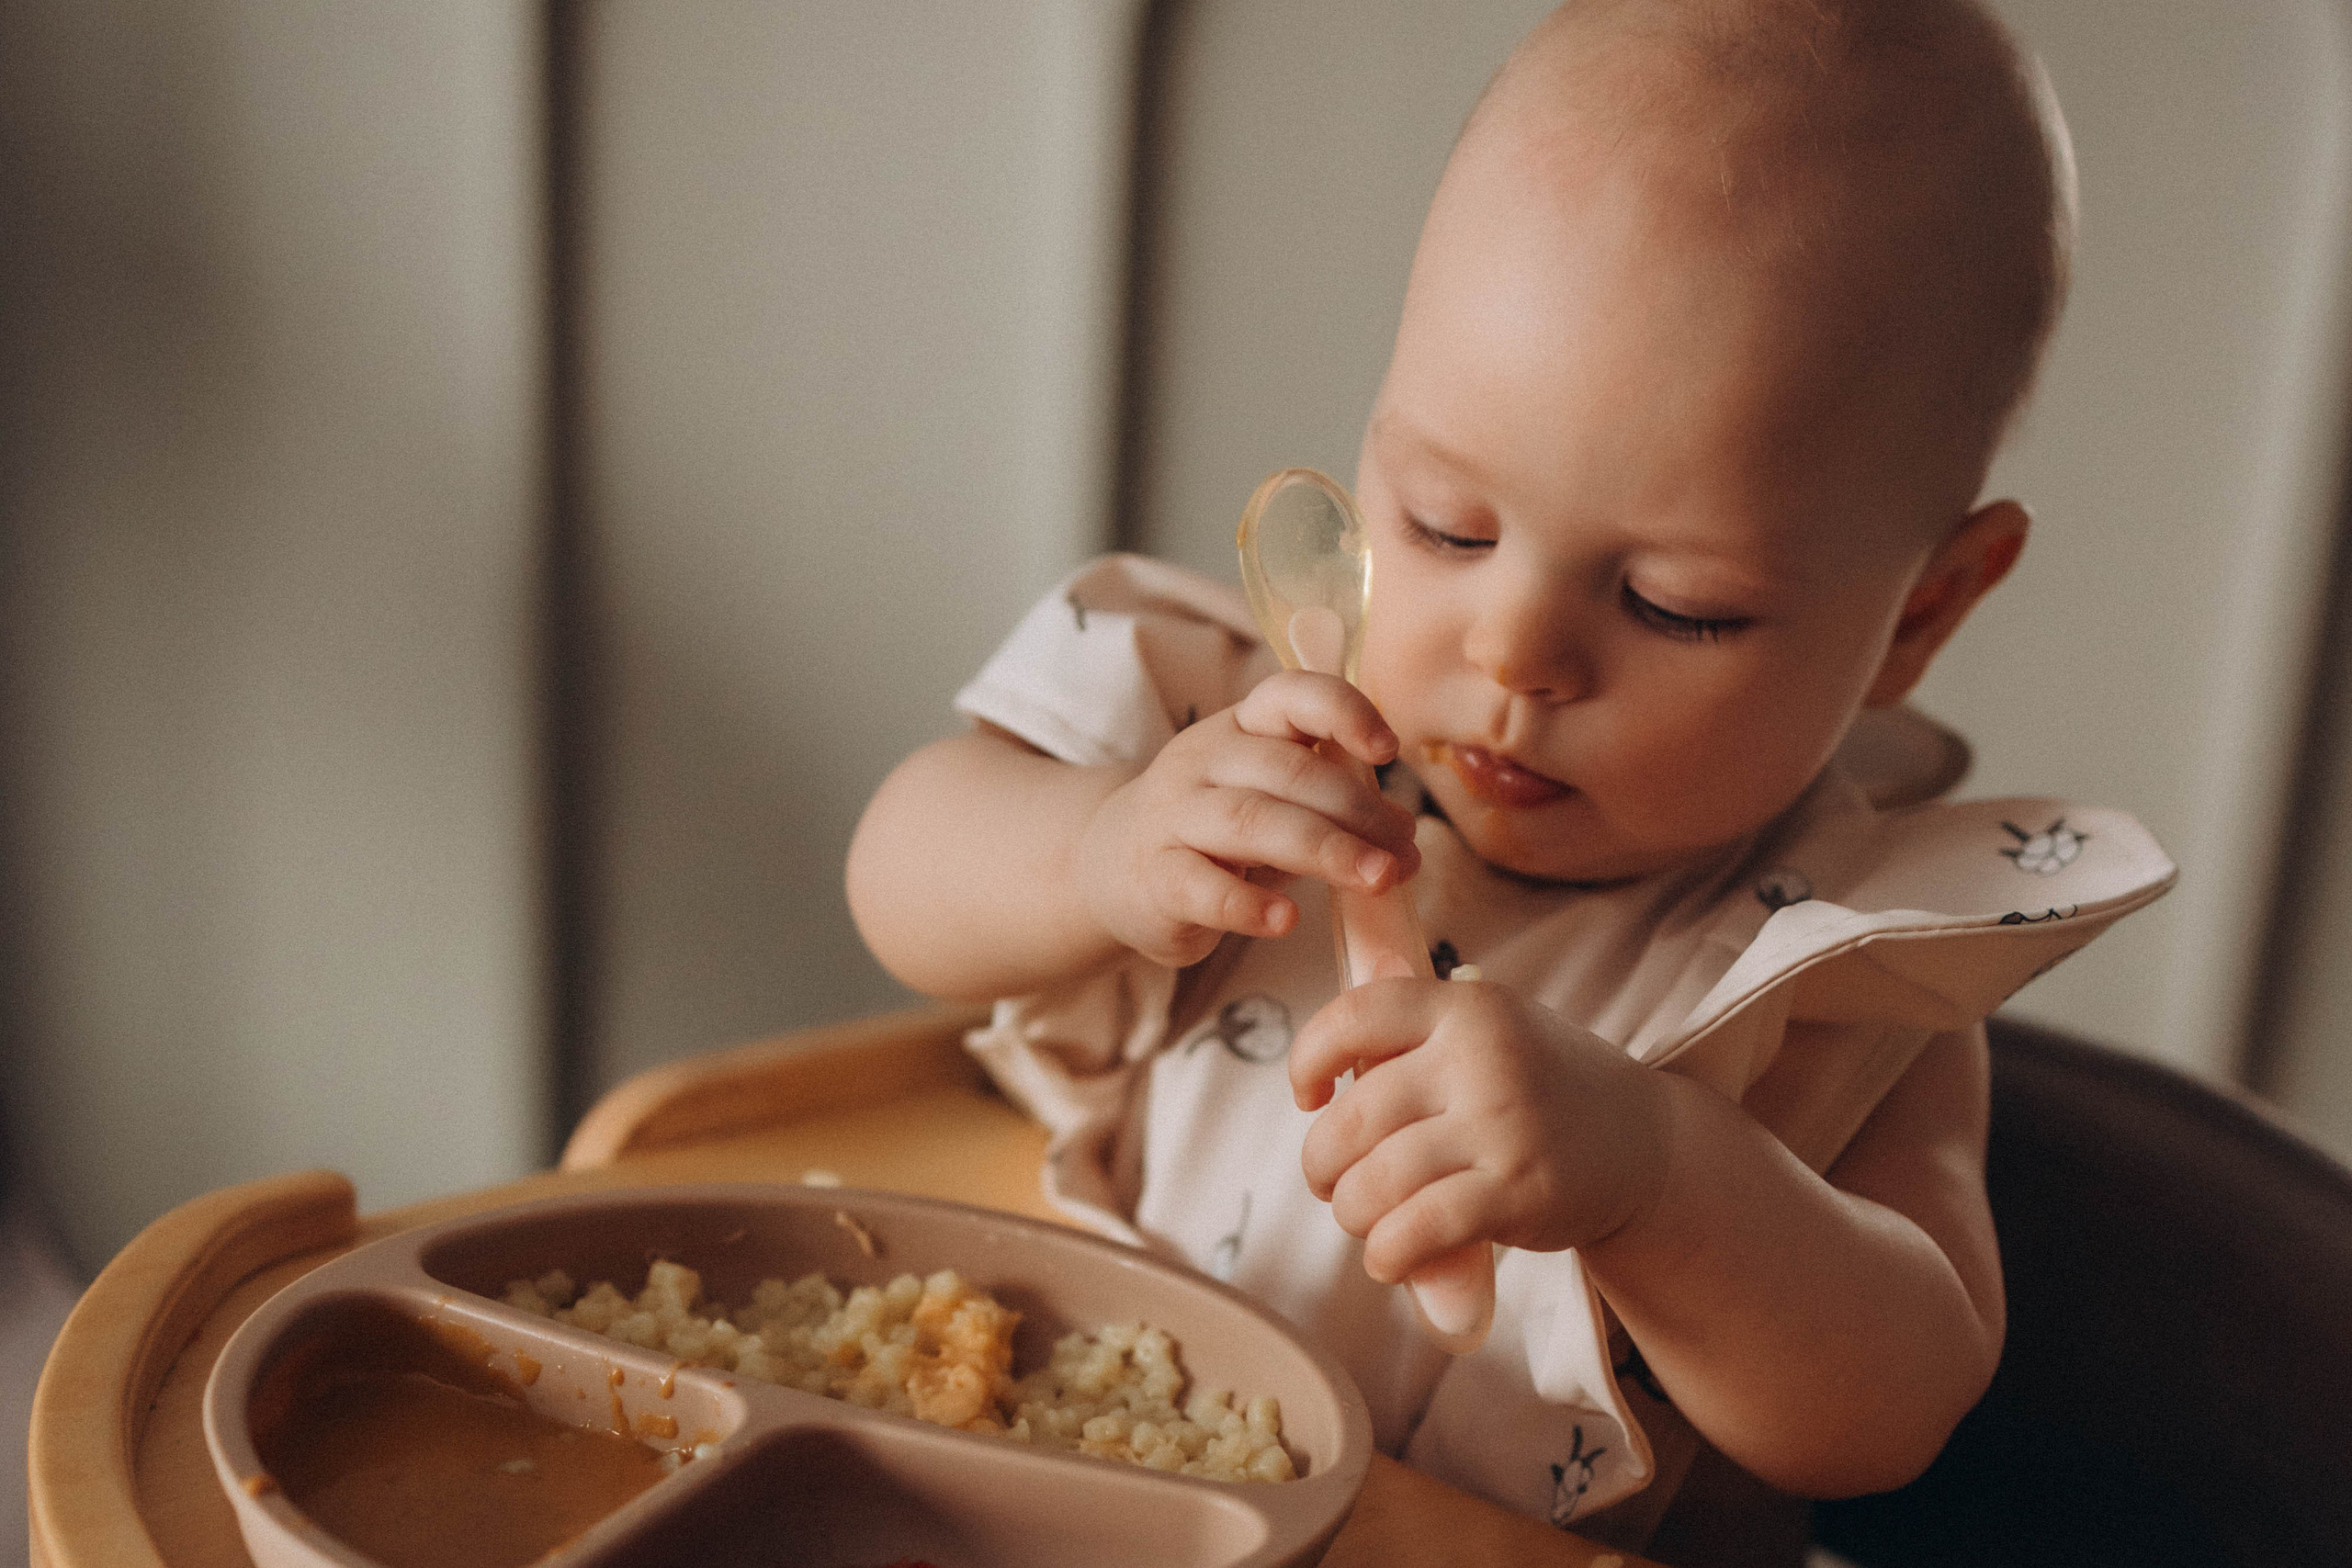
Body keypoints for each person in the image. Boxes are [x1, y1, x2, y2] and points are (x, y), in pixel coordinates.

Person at [848, 0, 2173, 1549]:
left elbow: (1888, 1409)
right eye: (1448, 526)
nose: (1516, 649)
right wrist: (1099, 851)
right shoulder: (1231, 735)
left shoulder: (1841, 979)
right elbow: (899, 876)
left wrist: (1661, 1178)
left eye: (1678, 604)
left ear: (1923, 610)